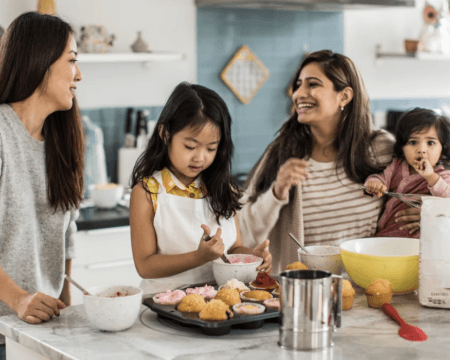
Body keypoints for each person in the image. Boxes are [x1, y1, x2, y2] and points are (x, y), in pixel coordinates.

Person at [238, 50, 421, 274]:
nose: (298, 94)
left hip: (370, 289)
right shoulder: (281, 153)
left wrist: (425, 213)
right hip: (306, 292)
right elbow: (243, 233)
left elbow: (424, 191)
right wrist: (276, 193)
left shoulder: (382, 149)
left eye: (312, 84)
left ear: (344, 96)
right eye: (298, 85)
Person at [129, 82, 272, 295]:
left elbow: (233, 249)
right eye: (190, 146)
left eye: (211, 148)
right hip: (165, 304)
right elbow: (145, 266)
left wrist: (253, 256)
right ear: (166, 134)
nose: (199, 157)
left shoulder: (224, 188)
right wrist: (199, 257)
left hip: (222, 300)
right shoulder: (146, 193)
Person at [0, 11, 84, 358]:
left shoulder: (62, 142)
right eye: (72, 61)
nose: (79, 75)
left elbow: (67, 233)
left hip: (43, 332)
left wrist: (67, 306)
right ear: (41, 61)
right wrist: (18, 299)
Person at [364, 108, 450, 238]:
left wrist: (430, 176)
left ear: (442, 149)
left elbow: (447, 198)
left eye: (430, 143)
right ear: (402, 147)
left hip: (418, 243)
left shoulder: (441, 176)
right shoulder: (397, 166)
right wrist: (374, 183)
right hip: (386, 235)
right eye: (413, 142)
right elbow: (381, 178)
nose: (421, 150)